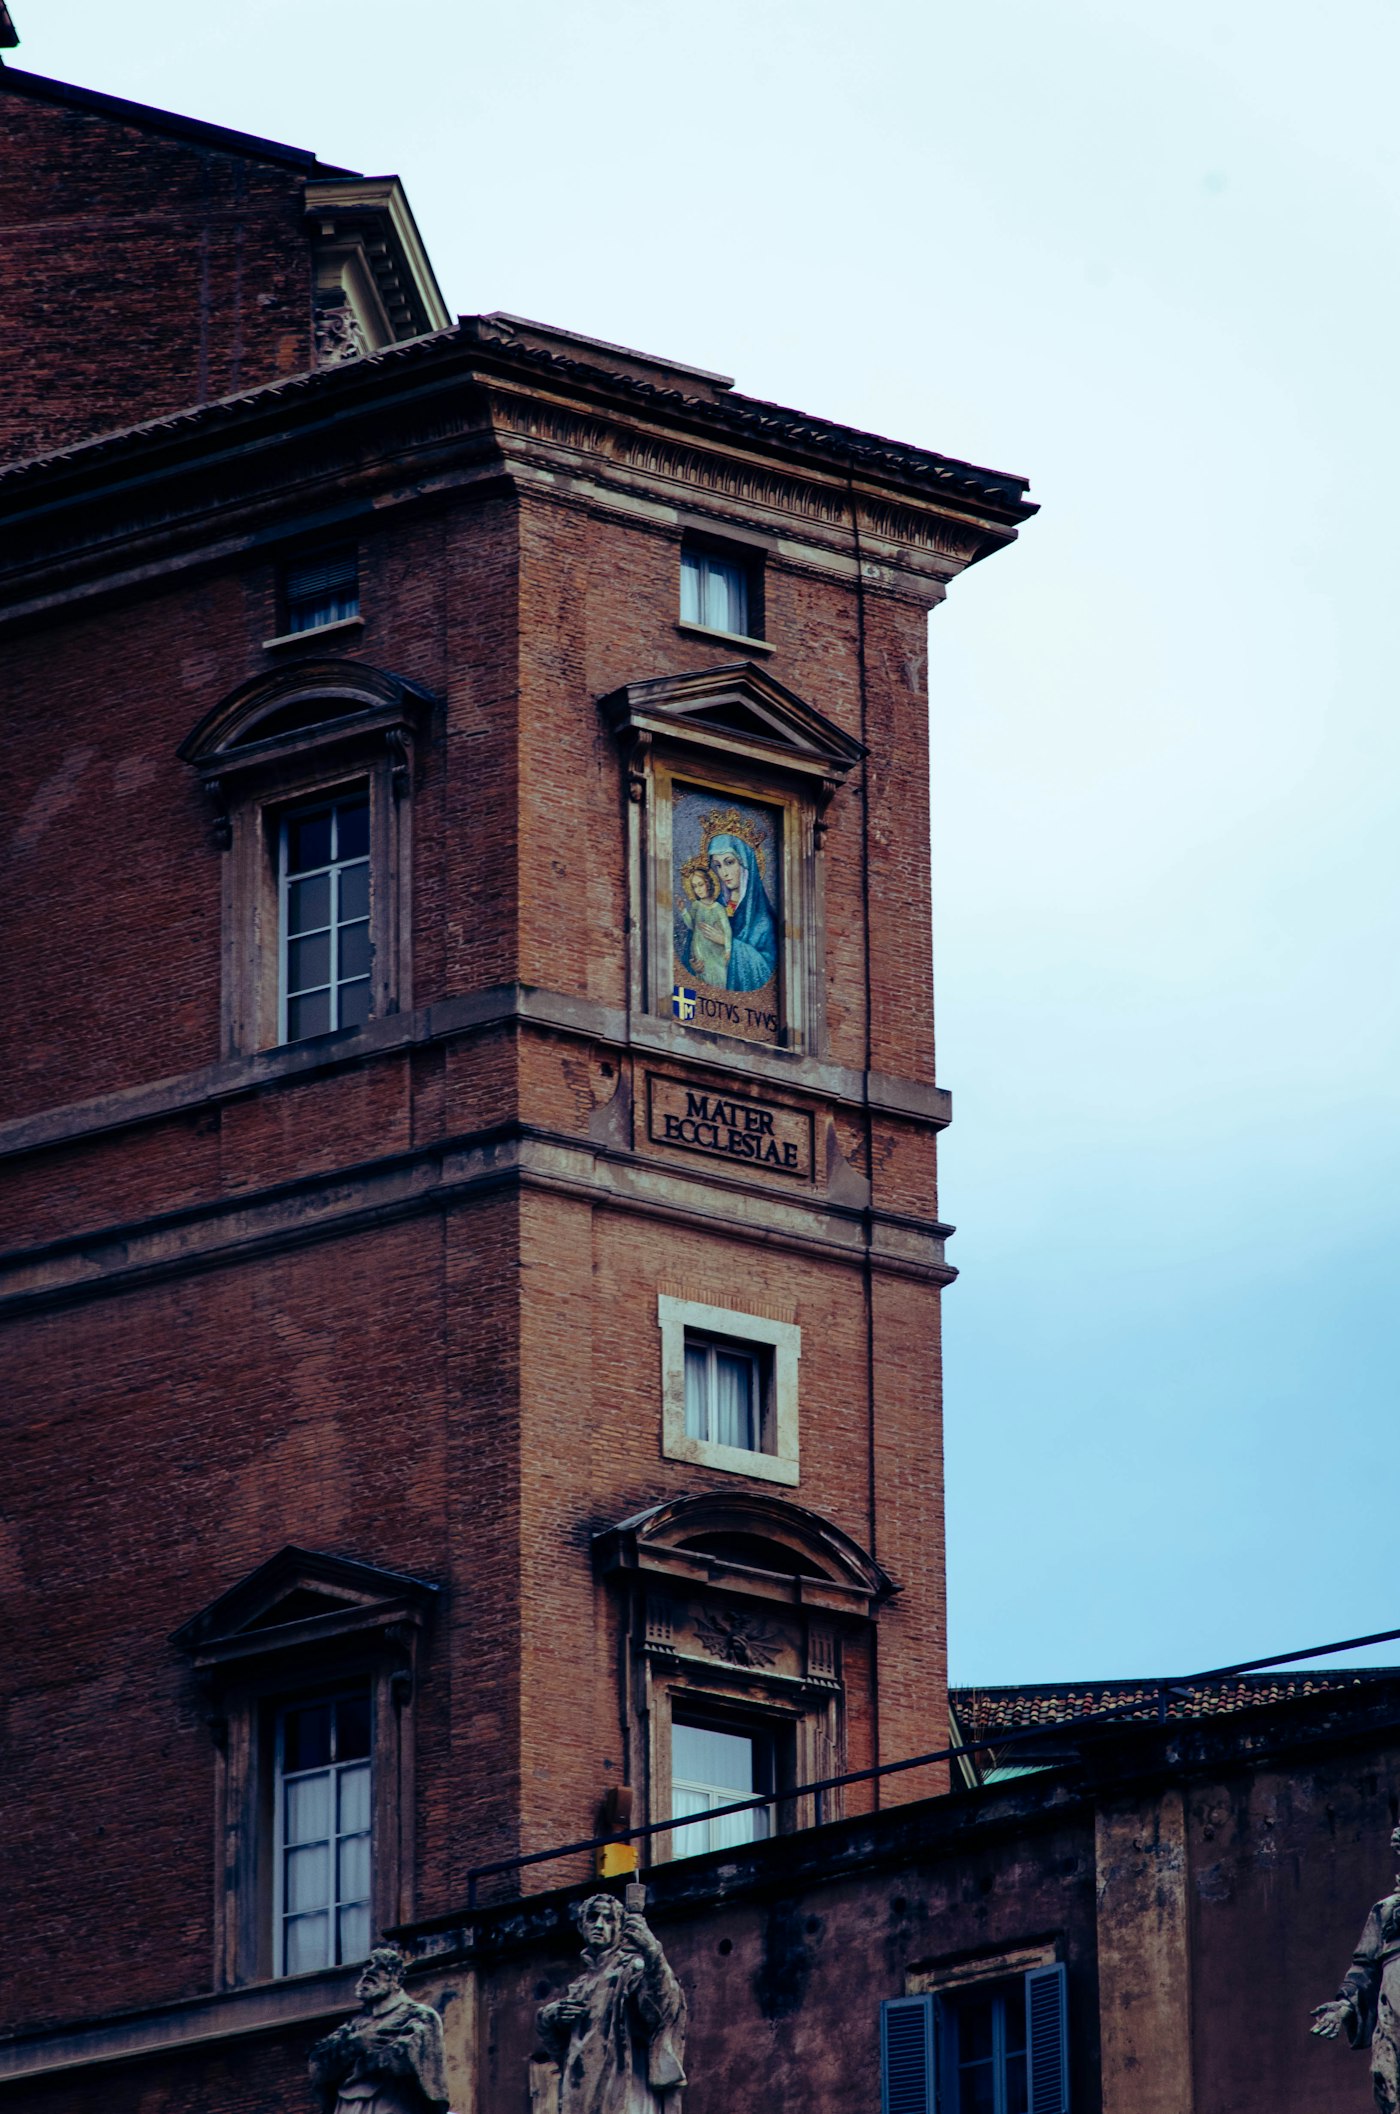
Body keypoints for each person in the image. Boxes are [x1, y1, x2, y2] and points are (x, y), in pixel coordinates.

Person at [535, 1893, 687, 2114]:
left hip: (623, 2089)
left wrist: (653, 1954)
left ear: (621, 1928)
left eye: (608, 1919)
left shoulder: (631, 1970)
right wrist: (549, 2017)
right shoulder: (579, 1987)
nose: (599, 1925)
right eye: (593, 1917)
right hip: (582, 2097)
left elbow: (659, 2010)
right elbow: (563, 2057)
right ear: (580, 1925)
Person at [1311, 1825, 1400, 2111]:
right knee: (1387, 2080)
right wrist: (1345, 2005)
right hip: (1393, 2007)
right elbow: (1364, 1967)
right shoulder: (1385, 1909)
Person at [309, 1946, 450, 2114]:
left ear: (397, 1977)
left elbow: (404, 2061)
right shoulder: (353, 2026)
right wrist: (357, 2044)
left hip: (390, 2104)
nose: (371, 1971)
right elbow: (317, 2065)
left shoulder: (417, 2015)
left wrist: (354, 2062)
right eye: (368, 1965)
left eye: (381, 1967)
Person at [704, 831, 776, 994]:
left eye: (729, 862)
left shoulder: (764, 921)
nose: (724, 873)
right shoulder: (713, 908)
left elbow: (767, 973)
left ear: (745, 864)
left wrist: (727, 942)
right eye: (718, 865)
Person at [676, 857, 732, 990]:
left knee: (719, 979)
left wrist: (728, 949)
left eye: (701, 885)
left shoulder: (718, 908)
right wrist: (683, 911)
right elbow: (692, 925)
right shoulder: (696, 905)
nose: (698, 890)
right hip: (701, 954)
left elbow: (727, 929)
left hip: (716, 955)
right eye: (695, 887)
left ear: (708, 884)